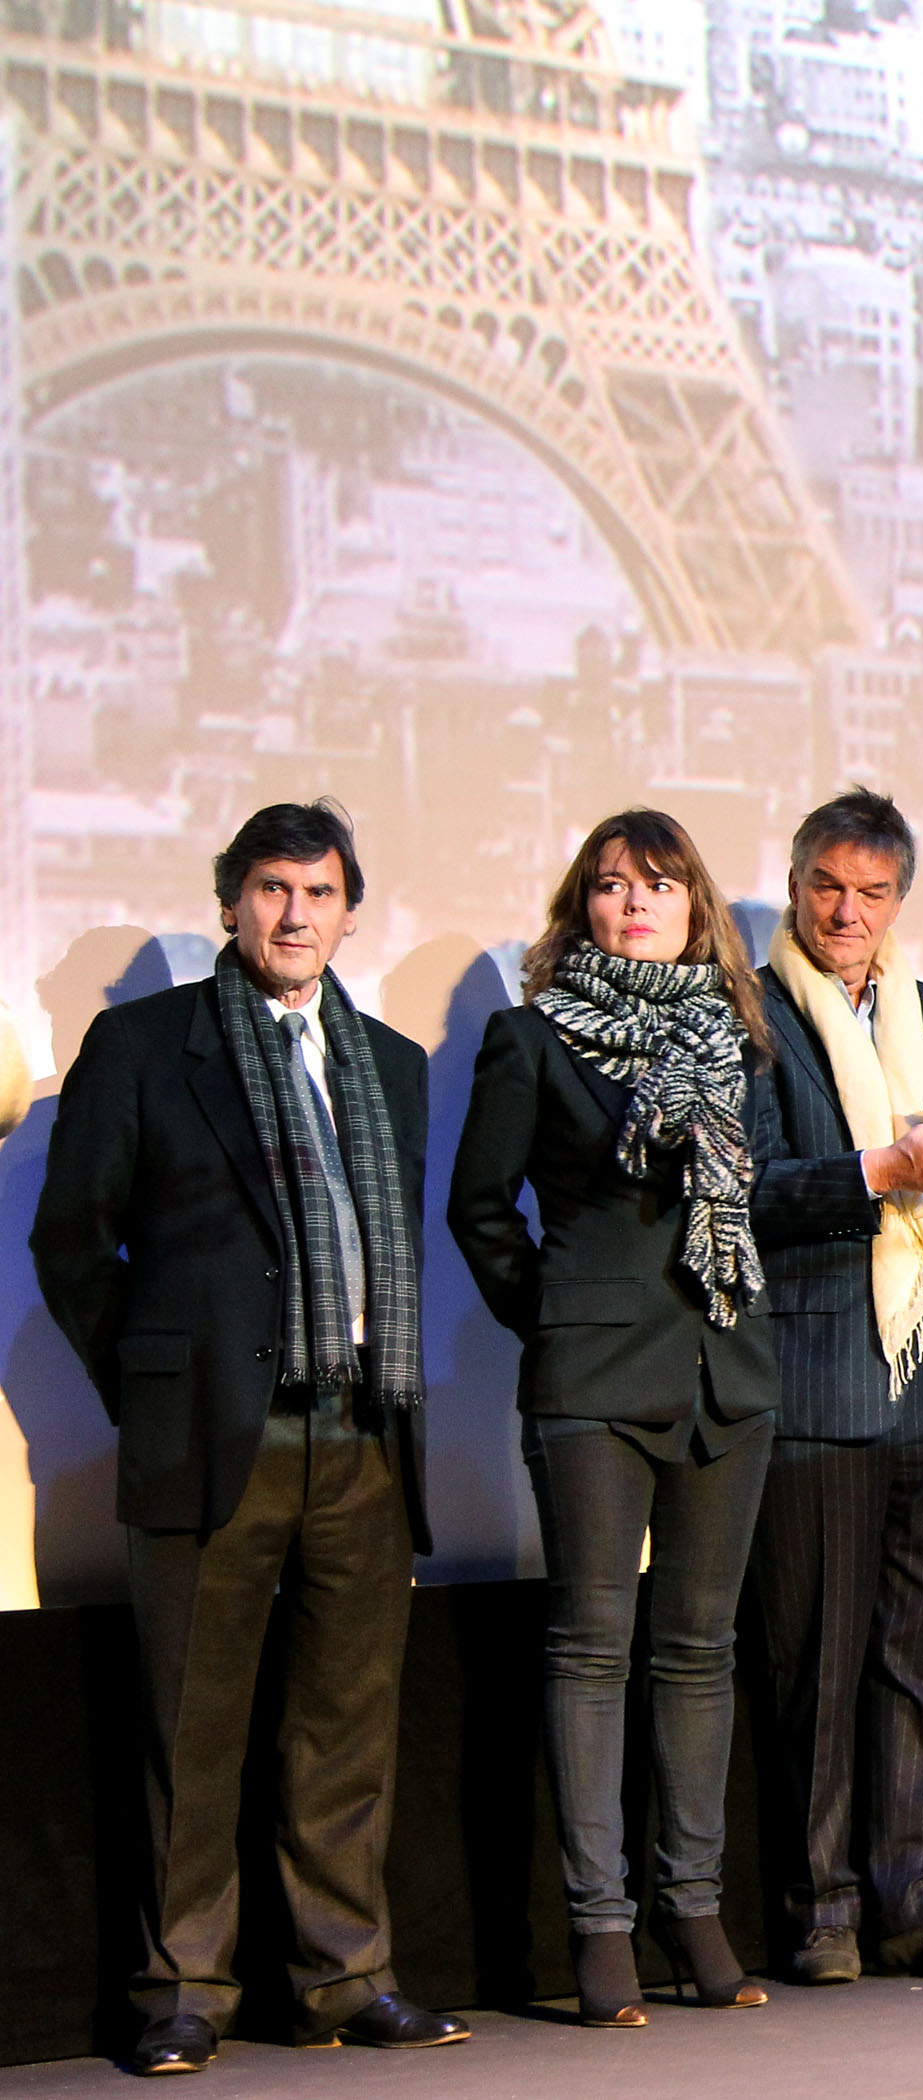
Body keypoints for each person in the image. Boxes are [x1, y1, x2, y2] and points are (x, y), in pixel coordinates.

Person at [33, 801, 468, 2075]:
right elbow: (71, 1243)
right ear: (230, 903)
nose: (293, 914)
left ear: (349, 913)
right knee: (192, 1726)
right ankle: (182, 1990)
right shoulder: (142, 1045)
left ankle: (344, 1978)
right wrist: (155, 1381)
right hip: (214, 1435)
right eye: (271, 889)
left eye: (318, 893)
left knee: (346, 1728)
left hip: (364, 1427)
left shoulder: (391, 1062)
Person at [448, 809, 783, 2027]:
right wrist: (556, 1316)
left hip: (726, 1373)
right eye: (608, 885)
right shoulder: (530, 1037)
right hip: (592, 1379)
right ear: (580, 907)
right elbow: (480, 1208)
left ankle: (691, 1909)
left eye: (657, 883)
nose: (633, 903)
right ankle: (598, 1923)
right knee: (592, 1649)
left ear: (696, 906)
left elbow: (765, 1198)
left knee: (699, 1650)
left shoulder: (741, 1039)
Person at [747, 789, 923, 1984]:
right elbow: (743, 1192)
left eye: (870, 893)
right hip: (818, 1376)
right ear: (795, 886)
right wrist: (880, 1168)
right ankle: (822, 1911)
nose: (846, 912)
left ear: (899, 901)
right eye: (827, 887)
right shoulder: (746, 1011)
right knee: (816, 1666)